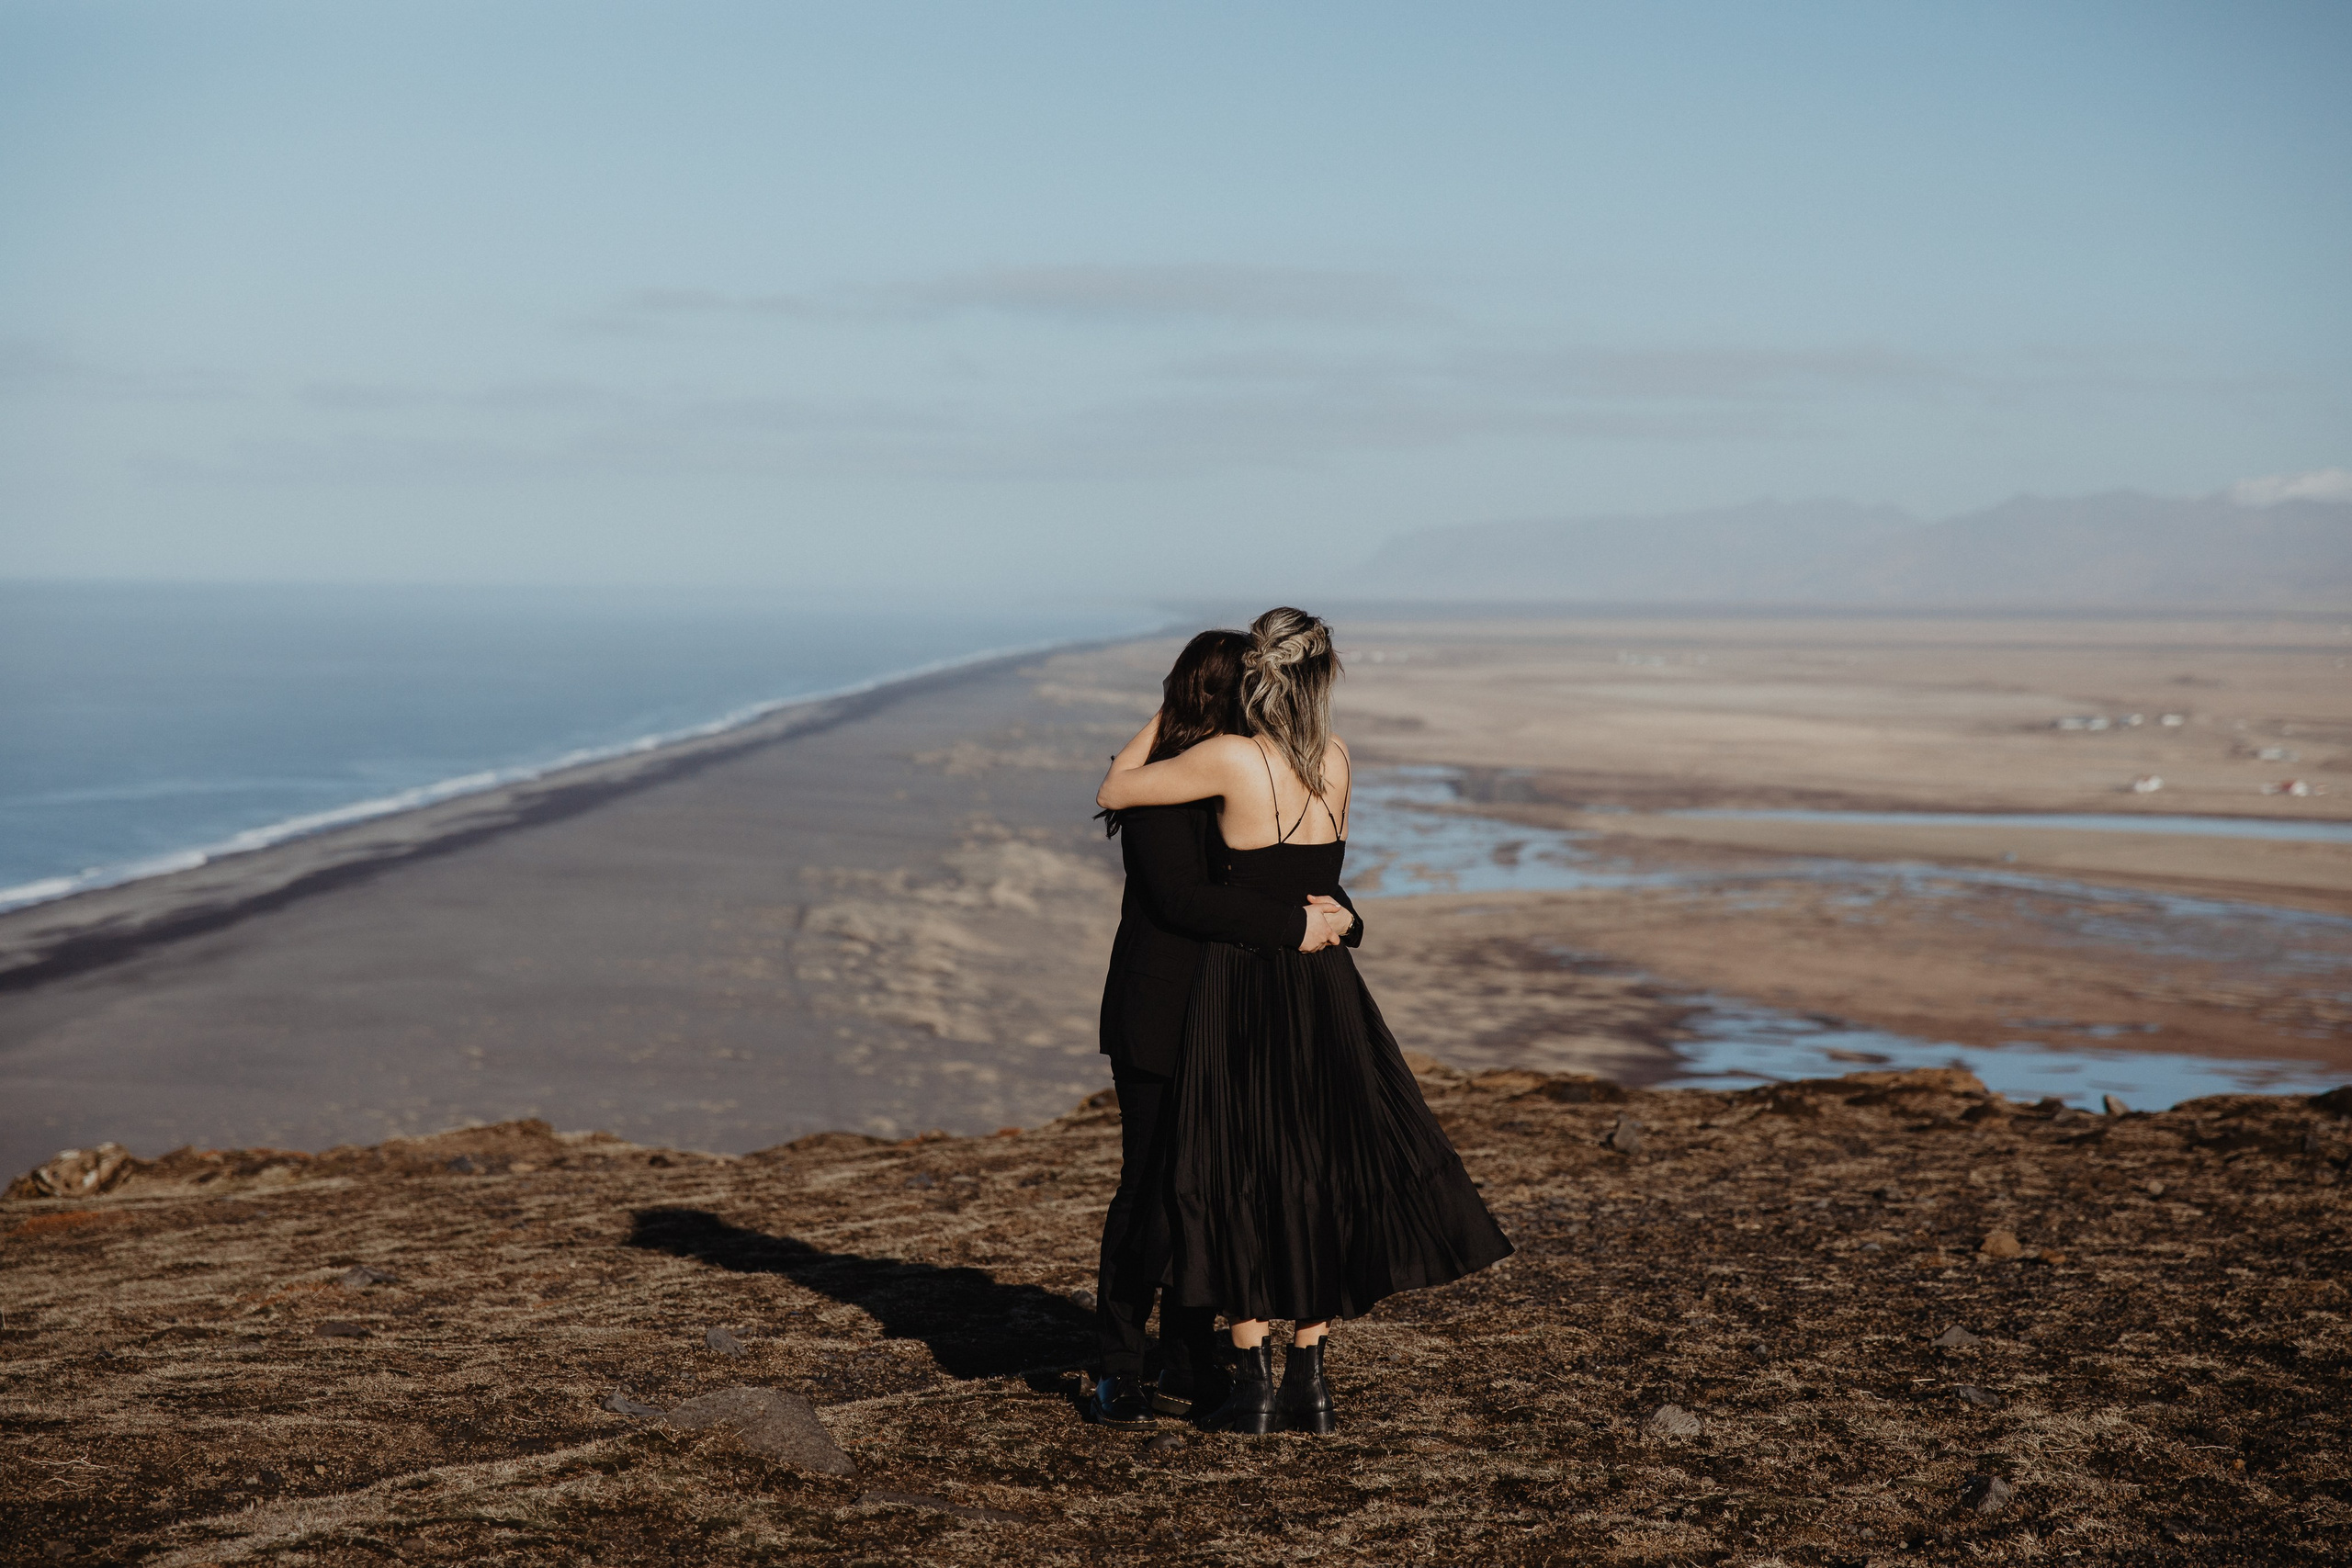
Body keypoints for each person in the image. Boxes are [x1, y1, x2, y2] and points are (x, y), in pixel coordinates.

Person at [1096, 606, 1513, 1436]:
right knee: (1231, 1183)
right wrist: (1325, 925)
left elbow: (1134, 799)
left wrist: (1334, 918)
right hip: (1260, 996)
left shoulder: (1228, 764)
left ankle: (1223, 1376)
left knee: (1231, 1181)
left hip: (1241, 1000)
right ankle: (1220, 1373)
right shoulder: (1315, 761)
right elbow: (1280, 888)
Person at [1087, 629, 1365, 1429]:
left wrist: (1335, 917)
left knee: (1205, 1191)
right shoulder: (1170, 785)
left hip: (1228, 1014)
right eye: (1247, 680)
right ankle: (1118, 1364)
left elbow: (1287, 872)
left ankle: (1190, 1349)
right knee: (1151, 1193)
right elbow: (1183, 900)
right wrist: (1295, 923)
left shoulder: (1233, 768)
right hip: (1160, 1011)